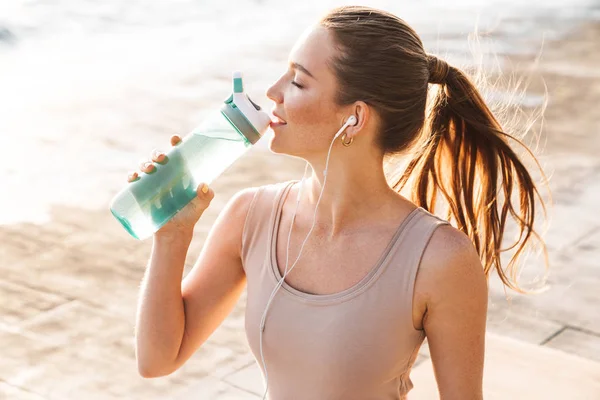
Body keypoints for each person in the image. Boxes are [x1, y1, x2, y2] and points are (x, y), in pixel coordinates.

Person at [131, 5, 547, 400]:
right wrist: (172, 234)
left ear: (355, 118)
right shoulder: (251, 216)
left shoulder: (439, 259)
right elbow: (157, 359)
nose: (273, 92)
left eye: (297, 81)